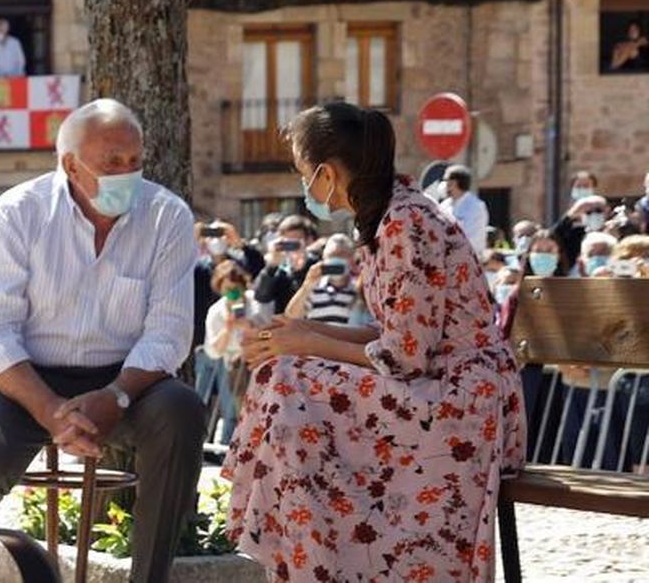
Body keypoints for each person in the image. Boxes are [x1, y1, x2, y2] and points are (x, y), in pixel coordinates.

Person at [0, 98, 205, 583]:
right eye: (112, 162)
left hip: (126, 382)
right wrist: (48, 409)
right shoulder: (19, 211)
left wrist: (116, 395)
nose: (127, 174)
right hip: (22, 382)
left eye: (135, 161)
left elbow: (169, 333)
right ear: (71, 164)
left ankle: (150, 578)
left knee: (182, 410)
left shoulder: (166, 216)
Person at [224, 102, 524, 582]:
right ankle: (310, 557)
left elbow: (405, 355)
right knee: (282, 373)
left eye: (302, 172)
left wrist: (306, 342)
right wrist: (301, 335)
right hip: (434, 386)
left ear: (326, 174)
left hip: (462, 400)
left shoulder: (406, 222)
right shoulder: (386, 220)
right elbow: (394, 335)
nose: (304, 186)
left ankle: (312, 561)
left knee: (286, 382)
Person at [200, 260, 258, 446]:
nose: (233, 293)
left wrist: (250, 327)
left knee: (255, 409)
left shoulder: (254, 303)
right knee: (231, 410)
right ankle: (231, 446)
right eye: (228, 289)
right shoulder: (216, 311)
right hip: (230, 365)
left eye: (236, 288)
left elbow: (267, 333)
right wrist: (228, 327)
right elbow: (213, 350)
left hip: (255, 362)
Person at [286, 234, 364, 325]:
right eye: (332, 255)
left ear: (352, 259)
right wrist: (306, 286)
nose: (337, 259)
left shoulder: (359, 289)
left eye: (342, 254)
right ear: (324, 259)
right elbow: (291, 317)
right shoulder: (313, 288)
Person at [252, 214, 318, 314]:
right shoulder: (279, 270)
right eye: (287, 243)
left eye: (296, 241)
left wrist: (300, 267)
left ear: (308, 241)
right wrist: (272, 265)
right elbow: (261, 297)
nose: (291, 246)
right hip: (286, 321)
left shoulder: (316, 266)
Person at [438, 164, 489, 250]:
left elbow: (471, 237)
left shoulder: (475, 206)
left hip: (468, 255)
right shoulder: (444, 205)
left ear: (454, 183)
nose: (444, 184)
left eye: (446, 181)